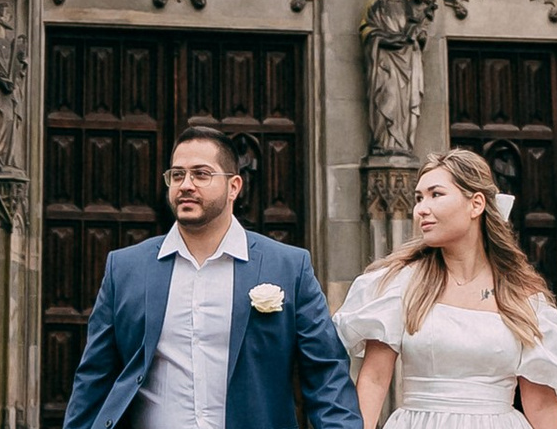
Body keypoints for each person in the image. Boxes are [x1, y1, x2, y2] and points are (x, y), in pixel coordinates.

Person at [59, 127, 359, 429]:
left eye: (201, 174)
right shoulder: (124, 268)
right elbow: (93, 380)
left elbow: (326, 375)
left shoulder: (289, 267)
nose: (185, 185)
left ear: (234, 187)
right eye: (177, 175)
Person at [334, 147, 557, 429]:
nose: (420, 209)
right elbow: (374, 380)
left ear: (476, 204)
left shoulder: (520, 296)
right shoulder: (401, 284)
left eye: (435, 194)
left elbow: (540, 404)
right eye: (418, 198)